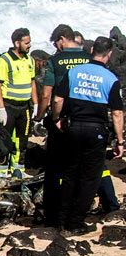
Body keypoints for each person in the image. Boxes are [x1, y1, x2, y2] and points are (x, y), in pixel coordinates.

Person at [50, 36, 124, 234]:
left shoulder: (74, 72)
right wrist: (120, 140)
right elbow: (117, 113)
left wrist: (57, 119)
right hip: (96, 130)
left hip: (74, 127)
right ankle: (75, 222)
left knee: (69, 173)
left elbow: (57, 99)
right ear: (108, 55)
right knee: (90, 177)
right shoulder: (110, 79)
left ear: (91, 51)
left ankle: (60, 220)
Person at [38, 24, 91, 227]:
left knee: (54, 168)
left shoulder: (56, 60)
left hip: (61, 119)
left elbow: (47, 93)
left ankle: (53, 215)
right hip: (84, 117)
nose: (56, 47)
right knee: (78, 168)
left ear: (62, 39)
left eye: (56, 43)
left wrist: (43, 116)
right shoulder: (88, 58)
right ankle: (75, 213)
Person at [0, 28, 39, 178]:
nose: (29, 45)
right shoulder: (4, 60)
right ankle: (1, 169)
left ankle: (18, 168)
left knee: (22, 140)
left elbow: (33, 83)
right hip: (8, 106)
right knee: (4, 139)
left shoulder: (30, 60)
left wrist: (36, 104)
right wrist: (1, 108)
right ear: (17, 43)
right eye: (26, 43)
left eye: (29, 42)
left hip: (24, 106)